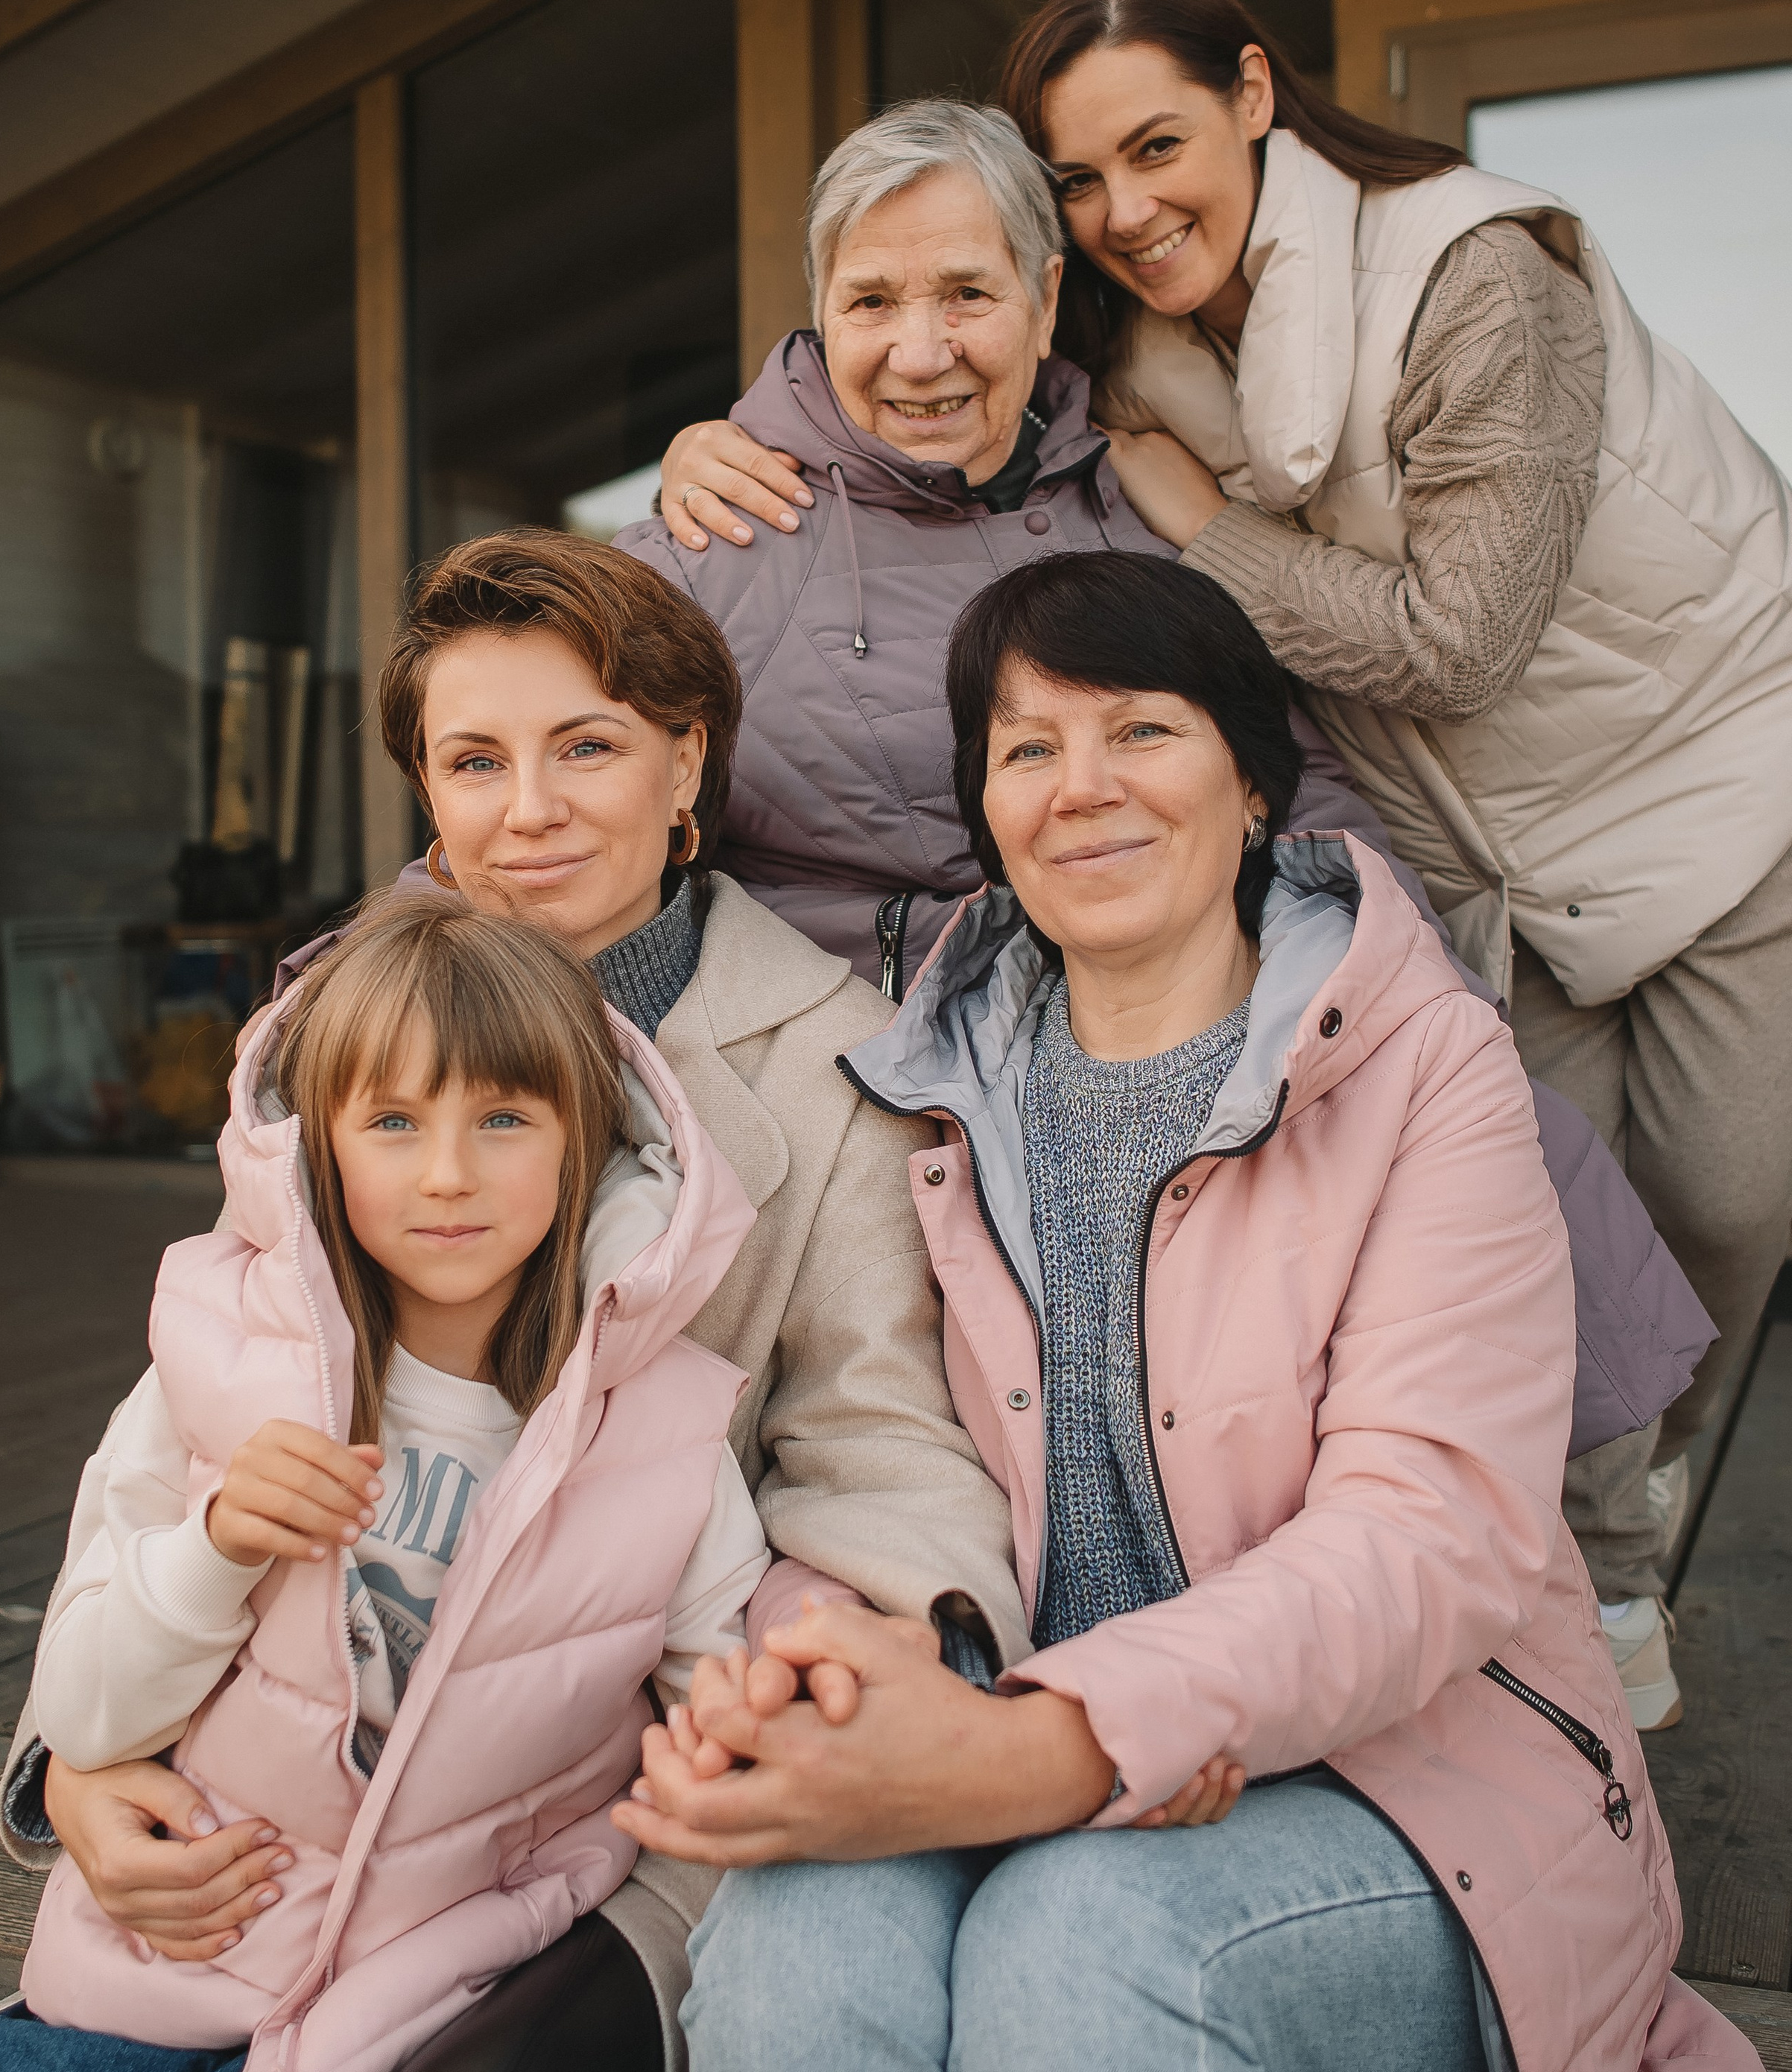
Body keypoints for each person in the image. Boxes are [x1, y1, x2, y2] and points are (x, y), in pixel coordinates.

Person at [619, 549, 1788, 2072]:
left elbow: (1435, 1540)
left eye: (1141, 731)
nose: (1081, 784)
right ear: (983, 806)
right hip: (1033, 1762)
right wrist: (835, 1678)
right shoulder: (934, 1075)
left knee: (1084, 1955)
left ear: (1256, 781)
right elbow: (870, 1446)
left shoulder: (1429, 1075)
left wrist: (1042, 1749)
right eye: (1028, 746)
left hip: (1420, 1815)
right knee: (794, 1958)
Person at [0, 530, 1024, 2072]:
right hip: (284, 1775)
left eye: (588, 747)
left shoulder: (827, 1069)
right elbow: (181, 1404)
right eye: (474, 763)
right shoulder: (337, 1023)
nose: (528, 811)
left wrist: (823, 1678)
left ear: (690, 761)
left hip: (603, 1797)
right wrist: (68, 1760)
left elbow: (880, 1451)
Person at [639, 95, 1710, 1716]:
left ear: (1043, 297)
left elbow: (1267, 753)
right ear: (815, 312)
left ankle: (1590, 1560)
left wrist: (1379, 961)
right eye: (868, 301)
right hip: (832, 1014)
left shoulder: (1133, 488)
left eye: (965, 295)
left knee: (1470, 1102)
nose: (918, 349)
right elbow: (569, 775)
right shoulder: (724, 519)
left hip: (1110, 981)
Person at [996, 0, 1792, 1715]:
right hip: (1471, 833)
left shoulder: (1476, 272)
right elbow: (923, 369)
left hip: (1712, 758)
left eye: (1155, 147)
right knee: (1536, 1243)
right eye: (1076, 179)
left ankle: (1623, 1485)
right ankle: (1597, 1606)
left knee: (1727, 1195)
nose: (1121, 212)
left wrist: (1198, 526)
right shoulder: (1111, 341)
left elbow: (1459, 637)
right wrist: (717, 444)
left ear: (1255, 97)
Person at [0, 896, 772, 2072]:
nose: (447, 1173)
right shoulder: (211, 1378)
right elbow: (84, 1710)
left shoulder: (664, 1445)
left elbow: (717, 1727)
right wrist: (213, 1546)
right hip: (139, 1959)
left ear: (586, 1151)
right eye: (394, 1120)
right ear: (318, 1151)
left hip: (377, 2011)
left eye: (505, 1118)